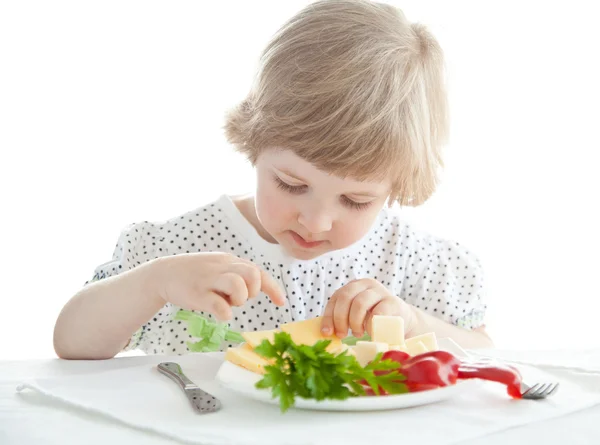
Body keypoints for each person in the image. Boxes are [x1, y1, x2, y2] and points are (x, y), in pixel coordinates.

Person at [53, 0, 493, 360]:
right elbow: (72, 343)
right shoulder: (179, 248)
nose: (316, 221)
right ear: (254, 139)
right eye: (291, 184)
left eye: (356, 201)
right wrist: (154, 283)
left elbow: (486, 356)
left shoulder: (419, 266)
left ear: (397, 185)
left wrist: (415, 324)